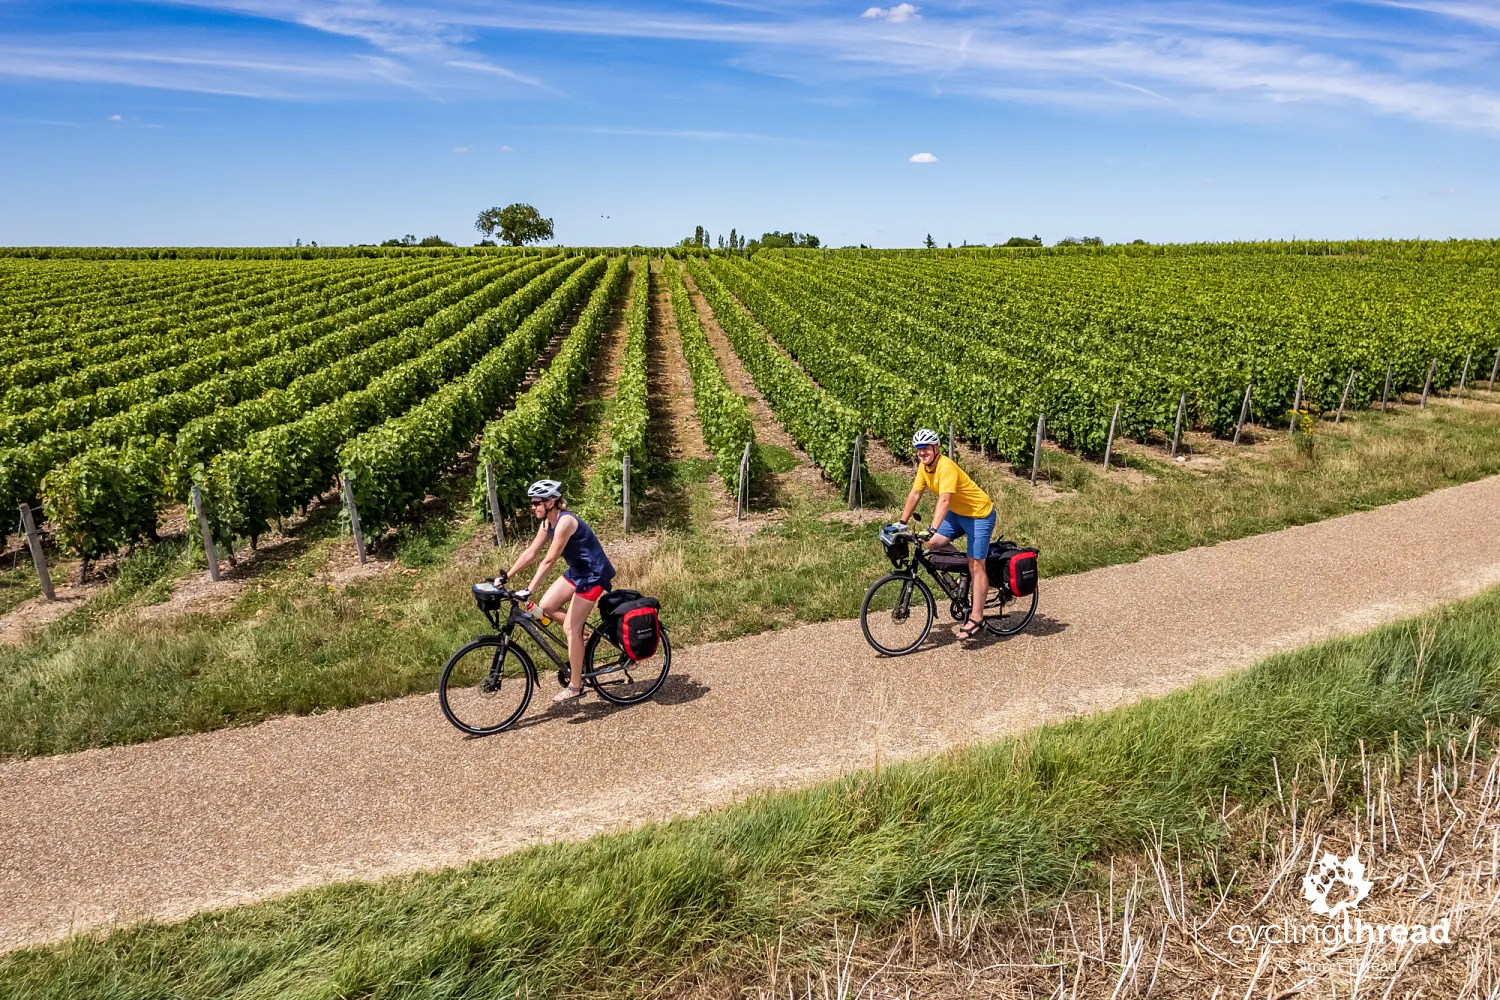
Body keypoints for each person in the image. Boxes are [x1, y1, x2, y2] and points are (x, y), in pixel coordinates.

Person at [500, 479, 616, 703]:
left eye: (536, 503)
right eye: (532, 504)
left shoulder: (564, 522)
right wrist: (506, 576)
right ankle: (583, 639)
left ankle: (576, 686)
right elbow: (531, 552)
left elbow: (549, 560)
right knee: (546, 606)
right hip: (577, 572)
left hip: (593, 575)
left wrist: (528, 589)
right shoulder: (546, 523)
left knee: (570, 627)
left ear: (551, 502)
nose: (532, 507)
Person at [896, 428, 996, 641]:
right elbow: (915, 493)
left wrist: (932, 526)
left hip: (979, 515)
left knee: (977, 564)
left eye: (926, 448)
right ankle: (964, 571)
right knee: (932, 543)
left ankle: (977, 617)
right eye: (919, 449)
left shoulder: (946, 467)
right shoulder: (925, 468)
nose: (922, 453)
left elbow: (944, 501)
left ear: (936, 448)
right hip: (959, 514)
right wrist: (902, 522)